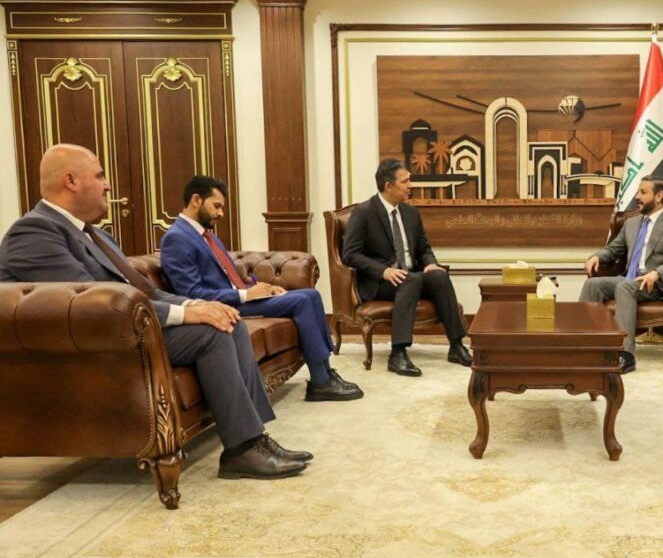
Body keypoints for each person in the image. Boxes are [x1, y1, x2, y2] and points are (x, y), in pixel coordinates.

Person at [0, 144, 311, 480]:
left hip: (128, 330)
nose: (108, 185)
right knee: (212, 333)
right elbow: (91, 303)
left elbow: (144, 291)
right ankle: (242, 450)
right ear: (71, 181)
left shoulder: (95, 234)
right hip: (93, 346)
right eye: (100, 176)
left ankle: (252, 439)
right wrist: (186, 316)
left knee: (228, 319)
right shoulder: (34, 232)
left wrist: (197, 305)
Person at [160, 176, 363, 402]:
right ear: (196, 200)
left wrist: (259, 287)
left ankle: (325, 371)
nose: (221, 213)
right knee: (303, 301)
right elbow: (191, 294)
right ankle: (321, 381)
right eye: (216, 206)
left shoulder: (207, 236)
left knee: (312, 295)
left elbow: (229, 277)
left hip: (238, 298)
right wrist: (245, 295)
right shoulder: (176, 238)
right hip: (222, 307)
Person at [342, 158, 471, 377]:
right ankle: (398, 353)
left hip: (412, 276)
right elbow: (350, 255)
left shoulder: (411, 213)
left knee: (439, 276)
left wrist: (430, 263)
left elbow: (424, 248)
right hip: (381, 282)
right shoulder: (364, 212)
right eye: (405, 181)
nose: (410, 186)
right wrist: (383, 271)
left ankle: (456, 346)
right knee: (410, 279)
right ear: (388, 186)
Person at [578, 176, 663, 373]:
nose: (637, 197)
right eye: (637, 192)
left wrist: (657, 273)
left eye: (643, 192)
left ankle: (625, 354)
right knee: (593, 284)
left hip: (655, 284)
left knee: (624, 287)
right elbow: (613, 249)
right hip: (629, 278)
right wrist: (597, 256)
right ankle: (585, 345)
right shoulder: (631, 224)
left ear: (659, 196)